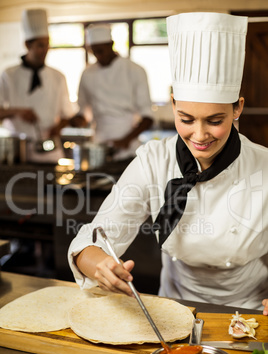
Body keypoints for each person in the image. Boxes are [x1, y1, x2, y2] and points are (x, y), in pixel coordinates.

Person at [68, 12, 268, 315]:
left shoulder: (263, 166)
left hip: (250, 308)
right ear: (173, 104)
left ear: (237, 108)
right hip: (175, 308)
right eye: (186, 119)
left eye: (215, 121)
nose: (199, 136)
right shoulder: (153, 161)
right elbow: (96, 236)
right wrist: (100, 265)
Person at [0, 9, 76, 163]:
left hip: (50, 153)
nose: (45, 50)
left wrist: (58, 128)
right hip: (17, 153)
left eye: (47, 45)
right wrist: (18, 112)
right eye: (40, 45)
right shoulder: (8, 75)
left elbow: (66, 115)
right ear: (28, 45)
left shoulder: (58, 77)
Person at [70, 23, 154, 160]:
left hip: (129, 148)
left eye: (101, 51)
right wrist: (77, 120)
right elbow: (83, 112)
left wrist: (125, 140)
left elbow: (147, 118)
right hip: (99, 146)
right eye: (94, 52)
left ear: (111, 45)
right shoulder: (87, 74)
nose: (98, 56)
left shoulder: (134, 70)